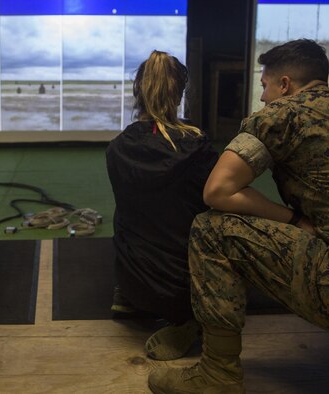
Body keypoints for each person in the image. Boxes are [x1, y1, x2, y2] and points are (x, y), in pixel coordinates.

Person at [148, 39, 329, 393]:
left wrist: (290, 220)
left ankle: (217, 376)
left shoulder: (280, 115)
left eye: (264, 86)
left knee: (212, 228)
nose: (262, 98)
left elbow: (218, 190)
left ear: (284, 84)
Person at [106, 50, 218, 361]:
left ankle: (131, 297)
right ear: (180, 94)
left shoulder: (117, 149)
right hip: (184, 294)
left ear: (137, 91)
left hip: (132, 283)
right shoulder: (198, 147)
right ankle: (197, 321)